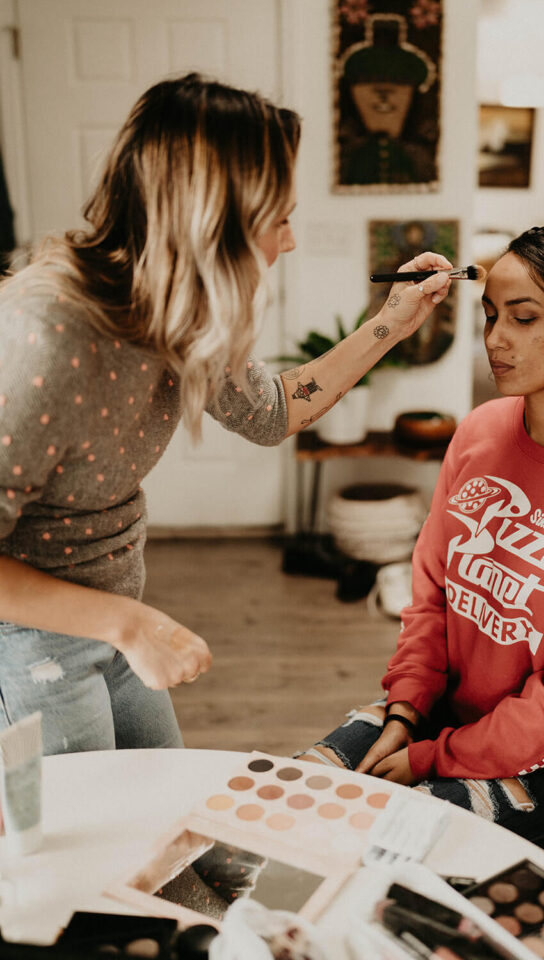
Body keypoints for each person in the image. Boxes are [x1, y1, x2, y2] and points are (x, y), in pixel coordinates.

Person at [0, 72, 453, 756]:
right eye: (279, 218)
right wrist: (125, 624)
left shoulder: (177, 313)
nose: (289, 242)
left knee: (167, 824)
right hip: (32, 642)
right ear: (215, 220)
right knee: (91, 850)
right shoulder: (47, 337)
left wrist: (393, 319)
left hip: (119, 616)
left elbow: (272, 411)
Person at [300, 226, 544, 858]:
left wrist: (434, 756)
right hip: (458, 717)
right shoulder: (480, 431)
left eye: (523, 318)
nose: (495, 339)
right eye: (490, 315)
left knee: (383, 849)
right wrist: (404, 713)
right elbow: (430, 601)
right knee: (299, 800)